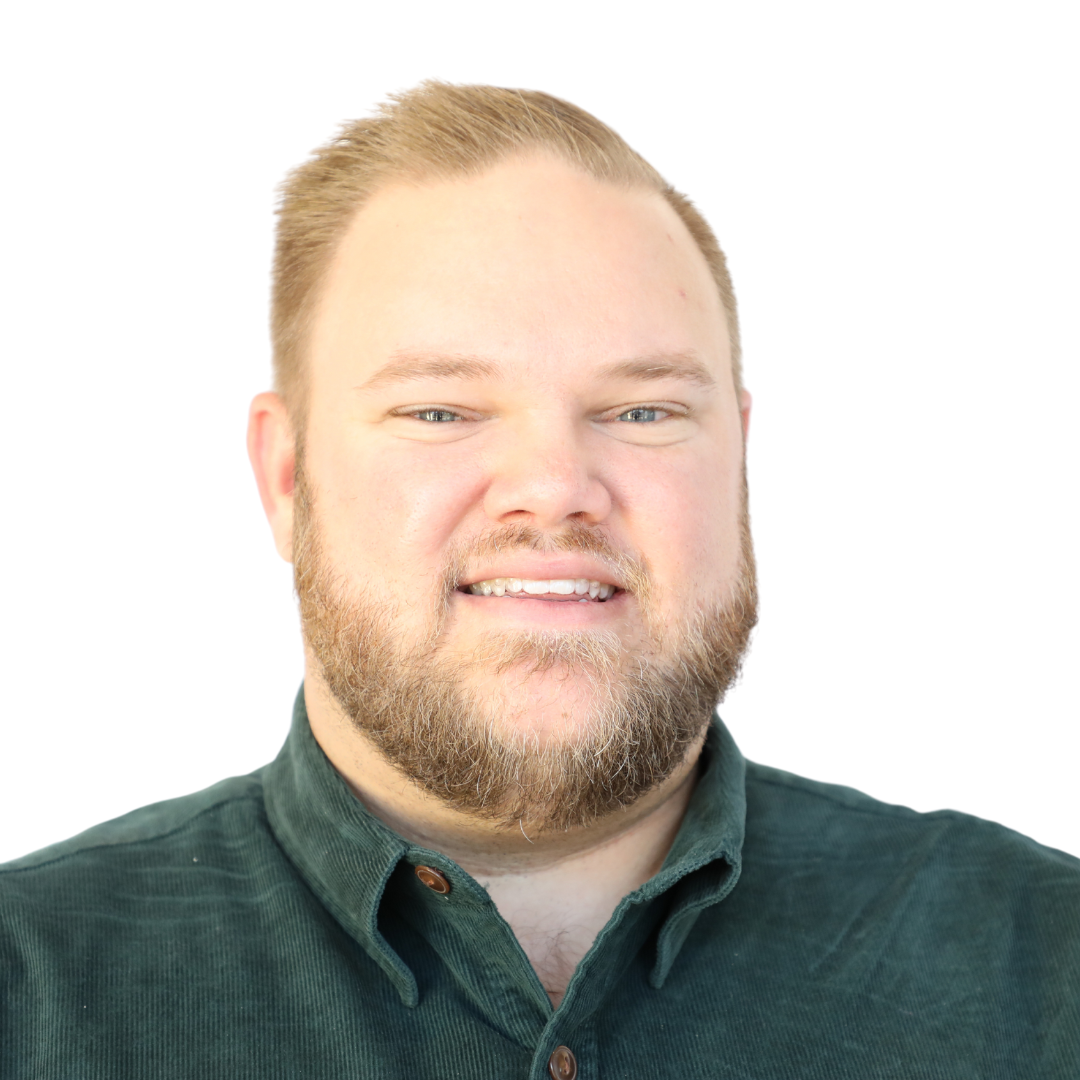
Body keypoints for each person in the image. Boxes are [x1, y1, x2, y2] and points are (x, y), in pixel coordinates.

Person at [1, 81, 1077, 1079]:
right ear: (287, 479)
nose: (557, 488)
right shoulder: (27, 991)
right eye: (441, 410)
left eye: (643, 411)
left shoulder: (1047, 967)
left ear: (738, 461)